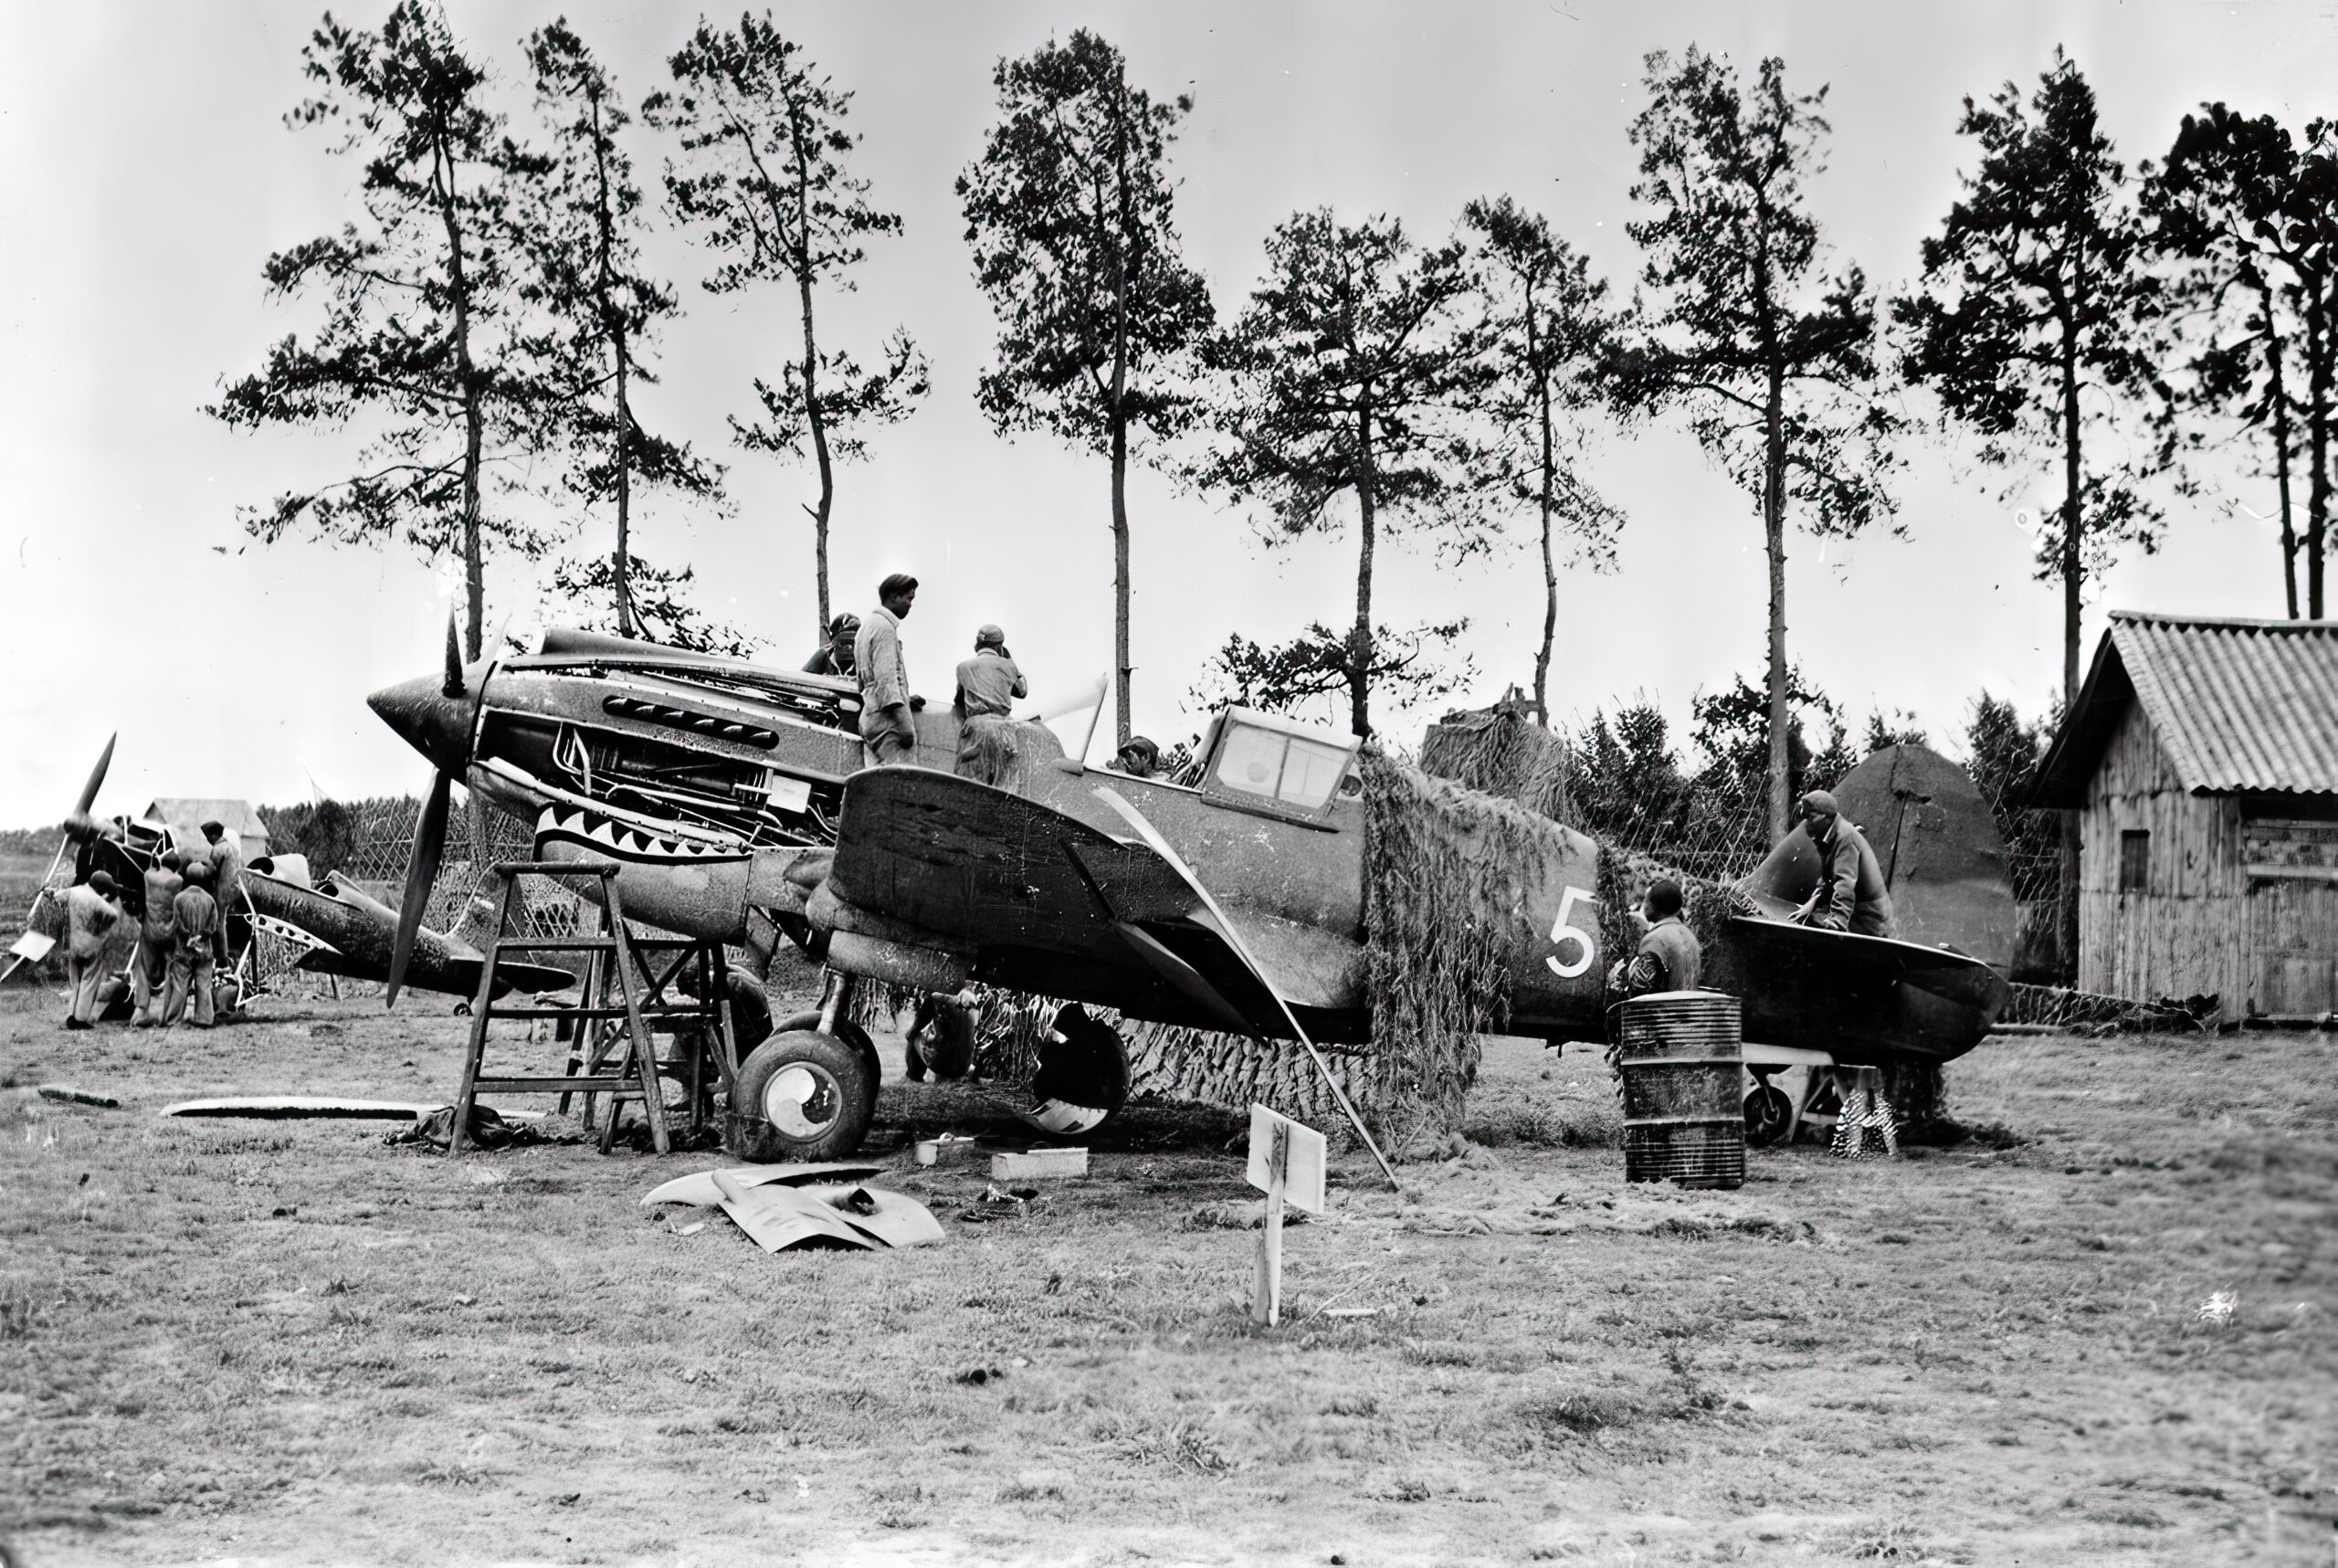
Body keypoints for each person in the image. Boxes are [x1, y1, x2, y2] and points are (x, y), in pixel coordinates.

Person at [1793, 790, 1896, 938]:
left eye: (1810, 818)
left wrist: (1837, 921)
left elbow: (1845, 882)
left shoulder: (1846, 837)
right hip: (1855, 912)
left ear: (1825, 817)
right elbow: (1828, 877)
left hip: (1871, 918)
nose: (1806, 823)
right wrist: (1812, 902)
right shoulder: (1828, 835)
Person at [852, 574, 923, 765]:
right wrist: (905, 726)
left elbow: (864, 682)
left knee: (875, 782)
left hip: (870, 716)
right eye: (909, 598)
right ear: (894, 597)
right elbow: (886, 682)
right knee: (901, 784)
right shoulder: (885, 628)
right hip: (889, 722)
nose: (910, 604)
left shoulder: (867, 626)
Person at [951, 624, 1027, 780]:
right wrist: (1009, 660)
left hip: (977, 728)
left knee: (970, 782)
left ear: (977, 645)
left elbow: (959, 701)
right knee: (1004, 785)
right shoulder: (1008, 666)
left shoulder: (964, 667)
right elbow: (1022, 691)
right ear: (999, 646)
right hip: (1004, 729)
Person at [1606, 877, 1702, 999]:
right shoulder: (1689, 936)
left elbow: (1640, 989)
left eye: (1646, 901)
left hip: (1661, 1012)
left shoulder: (1655, 938)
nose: (1644, 906)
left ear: (1654, 906)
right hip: (1685, 1009)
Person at [164, 861, 226, 1029]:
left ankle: (173, 1020)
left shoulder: (179, 898)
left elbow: (177, 924)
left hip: (183, 950)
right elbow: (213, 927)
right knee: (204, 984)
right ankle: (204, 1019)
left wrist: (189, 937)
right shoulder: (210, 900)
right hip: (204, 950)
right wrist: (200, 936)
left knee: (180, 985)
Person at [62, 871, 124, 1029]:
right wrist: (99, 927)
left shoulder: (74, 891)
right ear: (100, 888)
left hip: (73, 942)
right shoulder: (97, 900)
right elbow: (112, 914)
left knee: (75, 981)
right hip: (90, 944)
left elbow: (55, 897)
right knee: (89, 980)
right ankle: (81, 1018)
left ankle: (71, 1014)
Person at [131, 849, 185, 1028]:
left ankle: (141, 1009)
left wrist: (155, 858)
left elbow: (150, 868)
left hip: (150, 929)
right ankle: (168, 1014)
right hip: (170, 931)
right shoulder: (178, 881)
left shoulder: (149, 877)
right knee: (173, 969)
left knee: (142, 968)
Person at [802, 613, 860, 679]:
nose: (849, 647)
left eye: (853, 642)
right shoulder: (823, 656)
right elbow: (801, 681)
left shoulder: (864, 661)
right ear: (834, 641)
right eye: (844, 642)